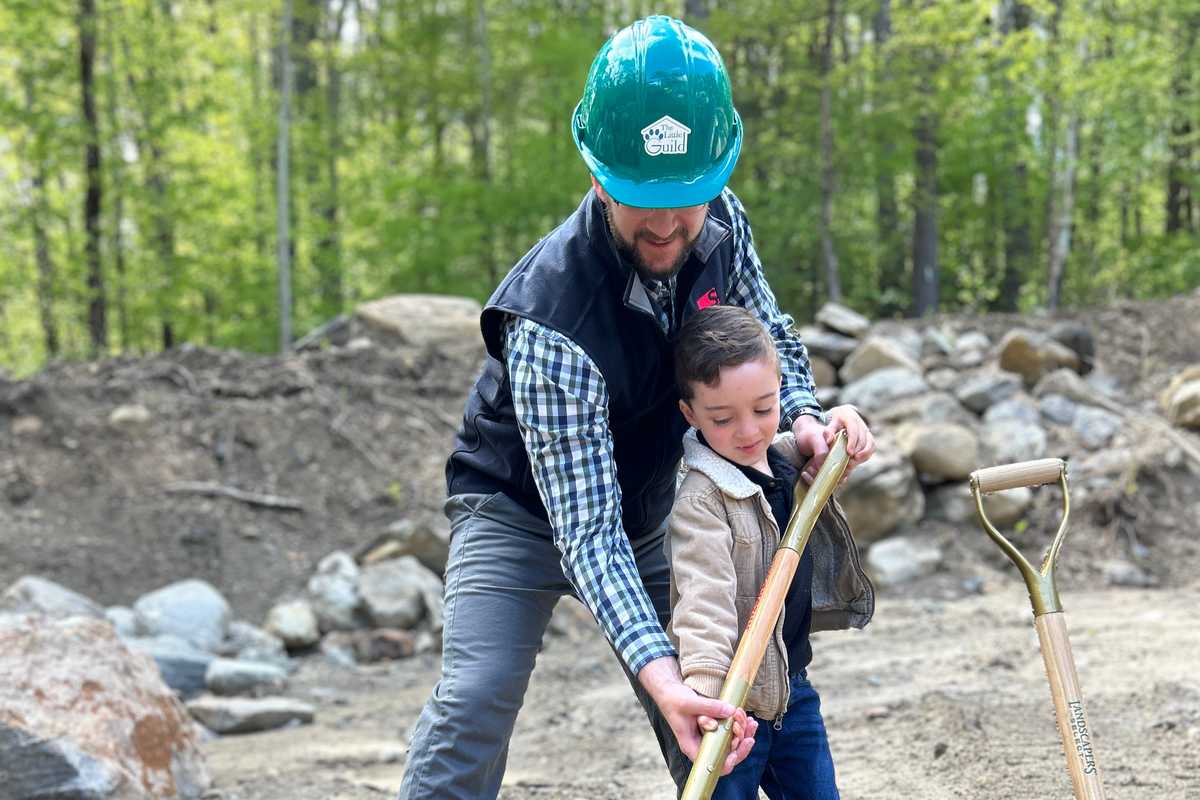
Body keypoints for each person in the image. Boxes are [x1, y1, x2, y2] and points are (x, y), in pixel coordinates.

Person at [398, 15, 875, 799]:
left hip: (653, 501)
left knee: (718, 700)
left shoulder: (723, 222)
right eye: (638, 200)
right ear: (596, 176)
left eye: (685, 199)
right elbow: (587, 535)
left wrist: (802, 417)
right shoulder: (549, 318)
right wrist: (658, 677)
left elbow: (769, 338)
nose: (665, 225)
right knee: (476, 697)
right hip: (515, 510)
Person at [667, 305, 875, 799]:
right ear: (690, 414)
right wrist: (708, 699)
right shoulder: (701, 500)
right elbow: (704, 602)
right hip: (731, 707)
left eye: (763, 408)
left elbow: (834, 443)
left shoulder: (785, 461)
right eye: (723, 418)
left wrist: (844, 420)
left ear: (781, 389)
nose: (748, 431)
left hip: (792, 694)